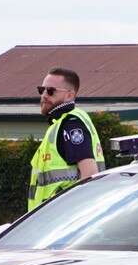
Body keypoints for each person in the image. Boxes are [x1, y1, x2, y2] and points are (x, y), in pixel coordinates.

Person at [27, 67, 105, 211]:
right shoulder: (60, 124)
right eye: (41, 89)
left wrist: (72, 216)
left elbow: (90, 174)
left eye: (50, 90)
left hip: (62, 220)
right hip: (52, 220)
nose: (44, 95)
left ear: (69, 96)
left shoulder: (71, 125)